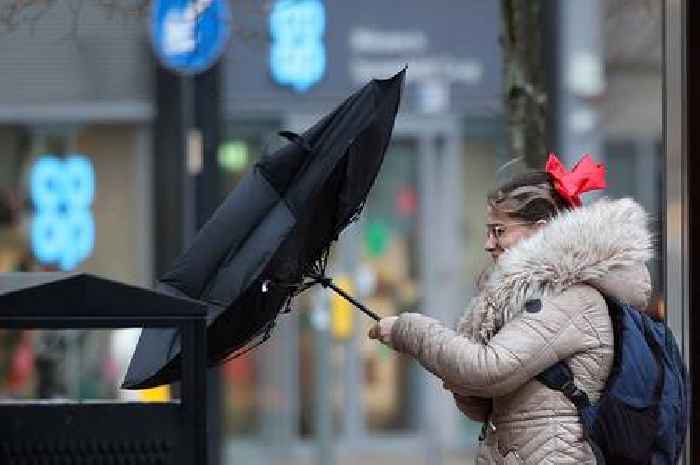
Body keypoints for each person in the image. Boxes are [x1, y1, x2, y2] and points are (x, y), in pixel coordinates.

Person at [369, 154, 653, 465]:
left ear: (540, 229)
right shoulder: (531, 298)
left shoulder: (569, 299)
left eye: (499, 231)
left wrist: (408, 330)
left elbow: (489, 369)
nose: (488, 244)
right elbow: (480, 404)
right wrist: (459, 369)